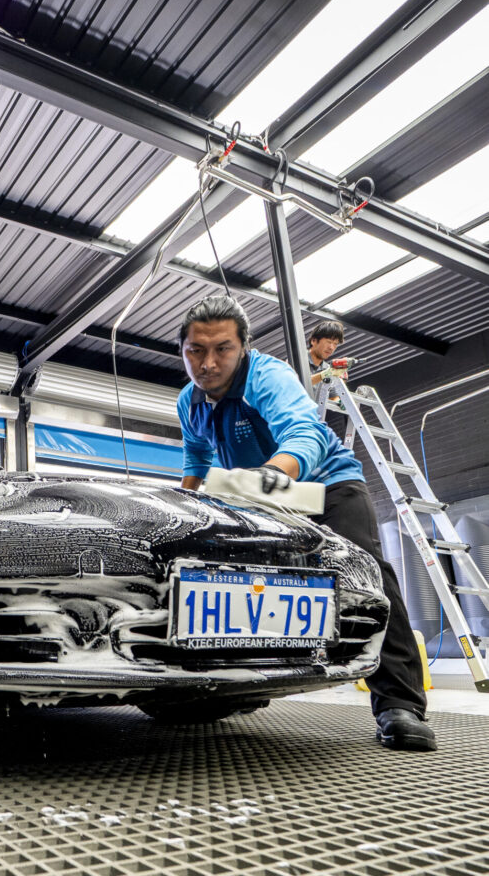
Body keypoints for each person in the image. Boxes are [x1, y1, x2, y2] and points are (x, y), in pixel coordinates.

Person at [174, 295, 435, 752]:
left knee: (368, 575)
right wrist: (183, 507)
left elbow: (304, 431)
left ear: (244, 348)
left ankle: (400, 704)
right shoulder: (188, 401)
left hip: (324, 485)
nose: (208, 362)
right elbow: (196, 458)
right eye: (196, 350)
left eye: (223, 349)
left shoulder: (267, 376)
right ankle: (226, 688)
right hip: (260, 493)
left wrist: (273, 476)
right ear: (183, 350)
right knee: (231, 579)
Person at [307, 320, 346, 386]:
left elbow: (333, 395)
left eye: (335, 344)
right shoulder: (296, 361)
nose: (331, 347)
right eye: (328, 342)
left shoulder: (329, 369)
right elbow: (296, 385)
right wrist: (325, 374)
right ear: (313, 341)